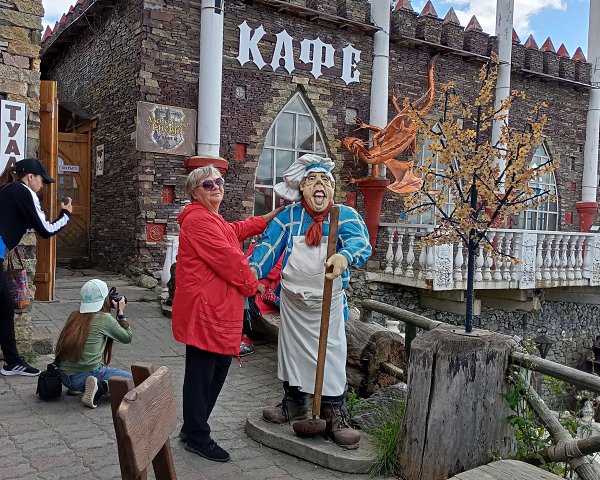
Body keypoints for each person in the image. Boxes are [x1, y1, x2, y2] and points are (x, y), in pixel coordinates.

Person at [248, 154, 371, 449]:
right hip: (293, 304)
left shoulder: (344, 215)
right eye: (312, 180)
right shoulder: (288, 217)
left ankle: (333, 413)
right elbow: (268, 247)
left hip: (328, 303)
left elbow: (362, 243)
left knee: (331, 356)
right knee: (292, 353)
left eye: (325, 180)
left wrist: (345, 256)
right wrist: (251, 271)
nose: (319, 185)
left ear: (332, 189)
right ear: (302, 188)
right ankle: (294, 402)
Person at [171, 165, 280, 463]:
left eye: (218, 181)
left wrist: (266, 219)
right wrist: (253, 285)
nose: (216, 186)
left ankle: (193, 427)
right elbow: (230, 259)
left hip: (213, 308)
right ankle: (197, 435)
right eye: (208, 184)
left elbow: (234, 231)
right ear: (194, 192)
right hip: (205, 310)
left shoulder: (210, 218)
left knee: (214, 368)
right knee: (203, 372)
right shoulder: (199, 220)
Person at [0, 158, 73, 376]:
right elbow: (46, 229)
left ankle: (12, 362)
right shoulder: (23, 191)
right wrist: (66, 214)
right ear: (30, 177)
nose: (43, 185)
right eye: (42, 180)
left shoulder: (9, 189)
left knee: (5, 307)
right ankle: (12, 361)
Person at [55, 279, 132, 408]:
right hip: (87, 375)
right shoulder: (104, 318)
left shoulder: (74, 315)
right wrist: (120, 313)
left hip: (65, 378)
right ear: (105, 299)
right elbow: (127, 337)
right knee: (134, 380)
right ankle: (100, 387)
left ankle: (81, 387)